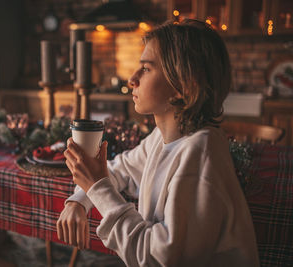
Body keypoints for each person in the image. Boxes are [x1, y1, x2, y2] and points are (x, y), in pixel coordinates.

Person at [57, 19, 260, 267]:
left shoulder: (200, 153)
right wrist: (79, 199)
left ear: (183, 85)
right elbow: (121, 170)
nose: (132, 78)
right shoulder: (162, 138)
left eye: (146, 68)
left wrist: (98, 188)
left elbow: (159, 260)